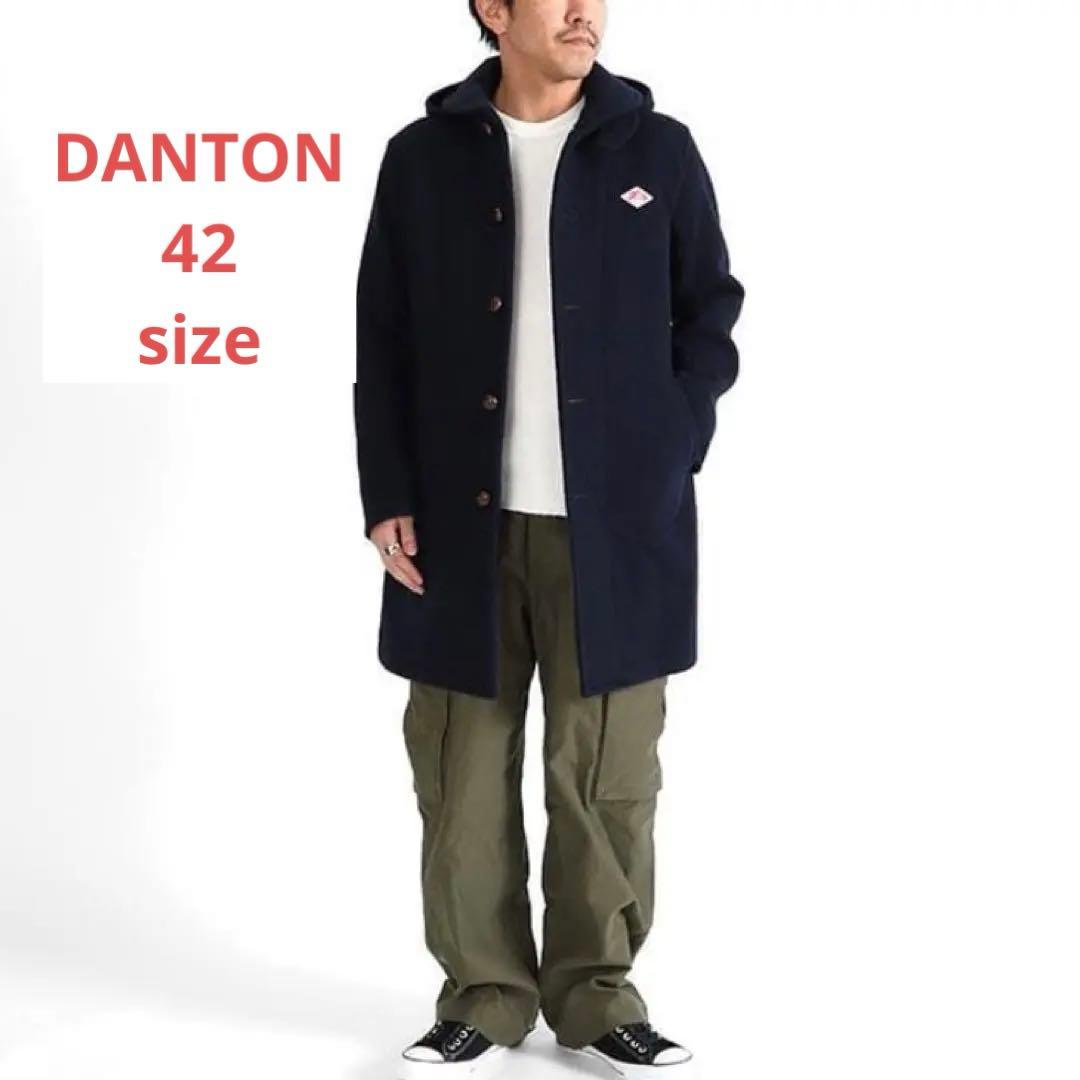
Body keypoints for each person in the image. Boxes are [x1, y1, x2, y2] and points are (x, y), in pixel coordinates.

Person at [354, 1, 744, 1075]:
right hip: (455, 527)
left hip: (617, 529)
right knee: (462, 776)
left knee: (605, 773)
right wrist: (387, 492)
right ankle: (483, 996)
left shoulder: (657, 151)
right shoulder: (423, 157)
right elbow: (381, 335)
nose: (585, 13)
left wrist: (673, 440)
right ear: (494, 9)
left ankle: (597, 994)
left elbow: (710, 313)